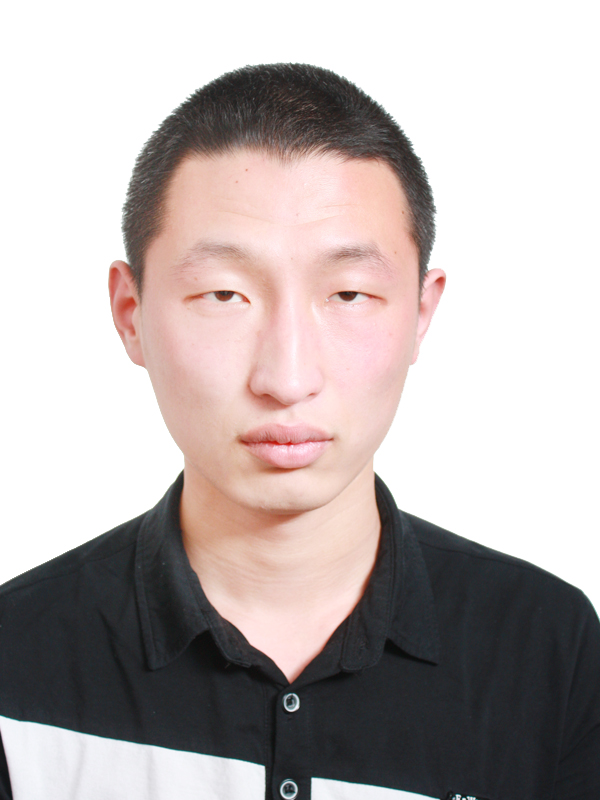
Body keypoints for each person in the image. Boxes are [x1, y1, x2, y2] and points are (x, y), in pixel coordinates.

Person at [0, 63, 598, 800]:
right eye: (225, 294)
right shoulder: (14, 662)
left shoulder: (551, 648)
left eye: (348, 293)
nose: (286, 378)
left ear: (421, 313)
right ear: (131, 314)